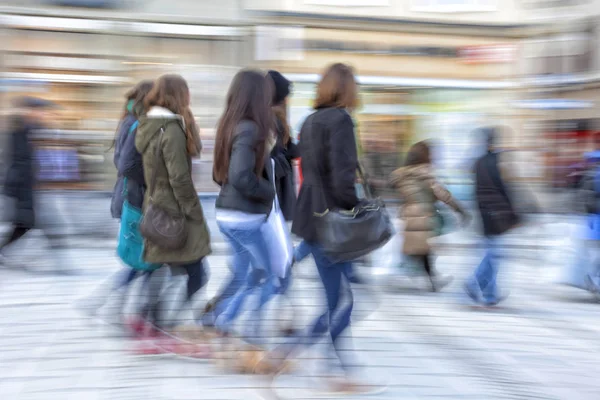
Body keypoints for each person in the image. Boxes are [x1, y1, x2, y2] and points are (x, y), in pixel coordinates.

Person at [266, 63, 372, 392]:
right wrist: (357, 208)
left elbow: (314, 171)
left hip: (311, 217)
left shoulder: (309, 121)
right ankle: (327, 367)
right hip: (332, 222)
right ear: (347, 89)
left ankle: (323, 364)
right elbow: (341, 180)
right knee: (341, 301)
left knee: (339, 298)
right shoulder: (341, 120)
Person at [135, 74, 211, 343]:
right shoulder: (171, 130)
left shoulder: (150, 126)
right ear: (179, 95)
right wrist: (193, 210)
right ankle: (162, 325)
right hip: (175, 212)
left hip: (156, 207)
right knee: (198, 273)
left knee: (166, 266)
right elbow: (179, 177)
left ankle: (151, 322)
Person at [80, 80, 156, 323]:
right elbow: (126, 165)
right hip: (134, 200)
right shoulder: (135, 123)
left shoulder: (129, 119)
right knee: (146, 261)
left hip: (128, 198)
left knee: (143, 260)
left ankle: (108, 304)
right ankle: (118, 307)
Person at [211, 69, 277, 344]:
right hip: (243, 216)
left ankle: (216, 319)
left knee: (244, 273)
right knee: (272, 275)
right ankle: (239, 326)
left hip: (227, 213)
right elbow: (239, 175)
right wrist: (268, 191)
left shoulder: (229, 124)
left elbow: (220, 175)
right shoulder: (250, 128)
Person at [1, 97, 71, 274]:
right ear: (29, 111)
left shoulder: (29, 128)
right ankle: (61, 262)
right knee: (29, 224)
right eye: (39, 111)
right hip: (22, 187)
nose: (43, 114)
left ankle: (61, 260)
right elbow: (21, 160)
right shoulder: (19, 130)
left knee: (25, 224)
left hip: (28, 186)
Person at [390, 141, 469, 292]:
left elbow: (399, 192)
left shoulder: (402, 175)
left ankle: (429, 279)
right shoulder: (425, 174)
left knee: (421, 249)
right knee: (423, 249)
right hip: (424, 215)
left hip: (409, 214)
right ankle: (428, 279)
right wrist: (459, 210)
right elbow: (442, 194)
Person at [464, 127, 518, 307]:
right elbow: (503, 189)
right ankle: (473, 283)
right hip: (495, 214)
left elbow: (479, 190)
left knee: (492, 252)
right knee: (493, 254)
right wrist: (513, 213)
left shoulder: (479, 162)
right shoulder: (496, 162)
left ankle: (490, 295)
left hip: (484, 212)